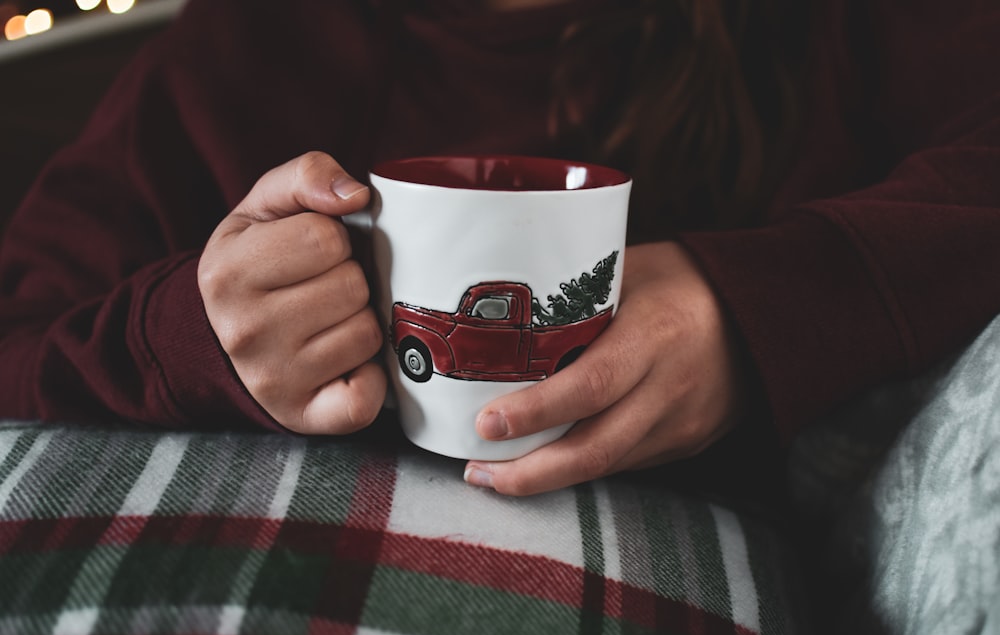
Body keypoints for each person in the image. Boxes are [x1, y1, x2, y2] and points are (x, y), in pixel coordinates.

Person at [1, 0, 998, 498]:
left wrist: (748, 309)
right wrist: (193, 331)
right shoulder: (233, 53)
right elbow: (21, 332)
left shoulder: (831, 31)